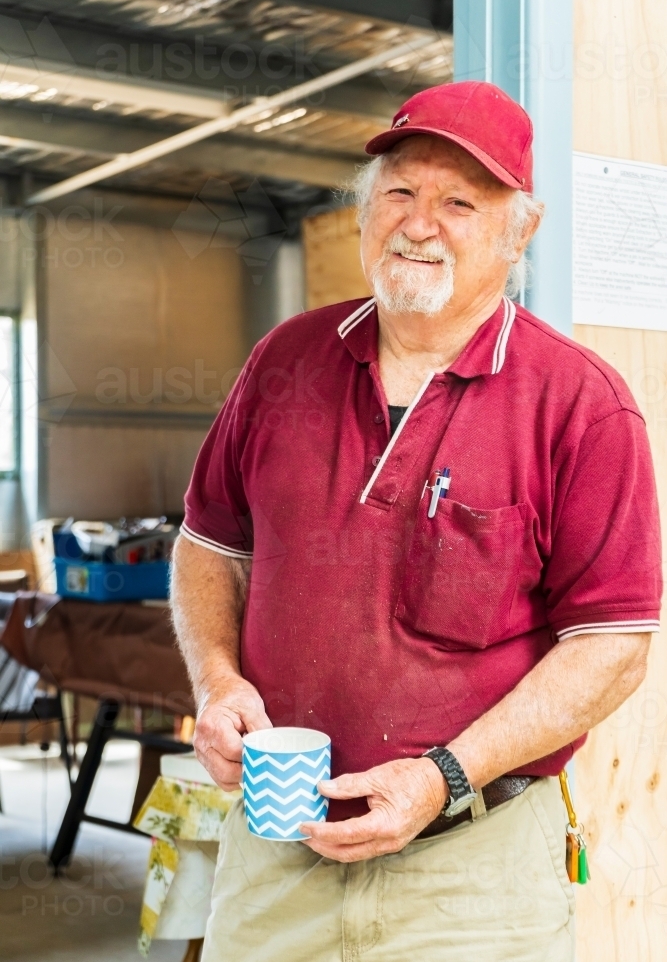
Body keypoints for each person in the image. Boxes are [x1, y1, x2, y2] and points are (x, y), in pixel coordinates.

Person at [171, 81, 661, 962]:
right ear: (366, 213)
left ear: (518, 234)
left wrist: (442, 776)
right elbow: (210, 547)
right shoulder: (284, 361)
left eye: (459, 202)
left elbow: (611, 644)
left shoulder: (580, 406)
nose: (419, 222)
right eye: (398, 191)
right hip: (275, 858)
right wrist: (215, 682)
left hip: (473, 877)